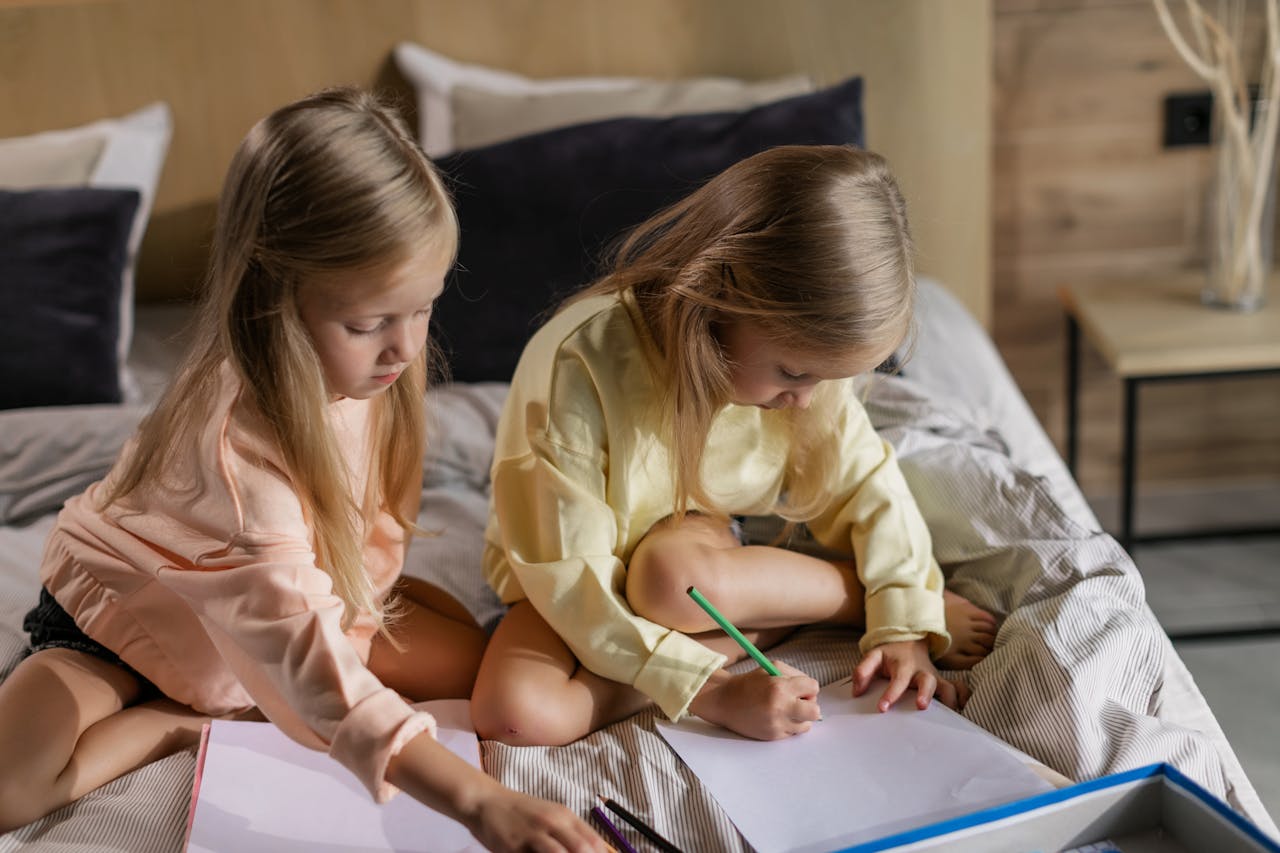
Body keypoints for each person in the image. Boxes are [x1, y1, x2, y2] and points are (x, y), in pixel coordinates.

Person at [0, 87, 607, 852]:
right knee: (9, 789)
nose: (405, 347)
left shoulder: (381, 363)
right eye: (368, 323)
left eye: (422, 308)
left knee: (498, 686)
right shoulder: (231, 455)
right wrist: (480, 802)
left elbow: (351, 545)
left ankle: (251, 694)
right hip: (127, 622)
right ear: (273, 300)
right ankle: (179, 723)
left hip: (303, 597)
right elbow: (312, 662)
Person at [471, 145, 999, 747]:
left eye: (826, 380)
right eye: (795, 374)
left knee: (668, 578)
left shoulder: (806, 381)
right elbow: (570, 581)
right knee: (515, 714)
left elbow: (866, 484)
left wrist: (903, 618)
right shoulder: (579, 366)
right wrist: (709, 690)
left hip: (689, 558)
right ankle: (820, 605)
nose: (806, 400)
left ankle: (855, 599)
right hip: (565, 577)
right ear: (722, 297)